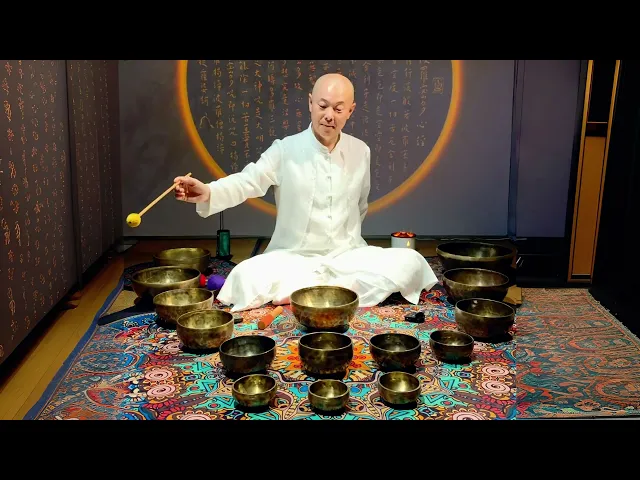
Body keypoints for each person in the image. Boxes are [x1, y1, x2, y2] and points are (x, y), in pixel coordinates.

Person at [174, 73, 438, 312]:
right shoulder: (285, 149)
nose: (329, 115)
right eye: (323, 106)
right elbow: (247, 181)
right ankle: (336, 290)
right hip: (293, 257)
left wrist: (347, 242)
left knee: (411, 262)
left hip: (347, 256)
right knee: (246, 275)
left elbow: (360, 206)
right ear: (310, 103)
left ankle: (313, 290)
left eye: (338, 109)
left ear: (350, 111)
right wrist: (208, 191)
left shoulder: (361, 151)